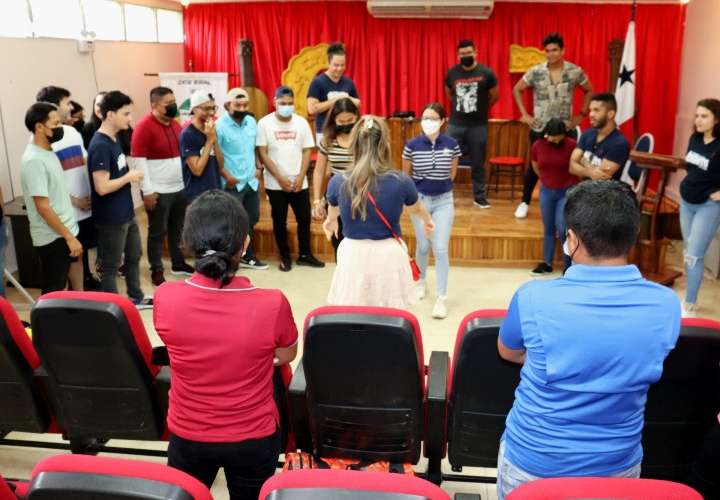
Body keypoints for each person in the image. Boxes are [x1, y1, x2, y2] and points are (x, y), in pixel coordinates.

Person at [496, 180, 681, 500]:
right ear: (632, 237)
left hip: (535, 465)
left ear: (572, 240)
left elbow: (508, 352)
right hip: (616, 466)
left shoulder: (533, 297)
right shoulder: (666, 305)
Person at [154, 189, 298, 500]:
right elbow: (286, 354)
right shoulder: (272, 304)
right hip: (253, 438)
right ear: (245, 243)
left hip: (187, 434)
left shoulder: (165, 297)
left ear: (188, 243)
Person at [324, 116, 434, 308]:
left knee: (353, 311)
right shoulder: (401, 181)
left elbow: (333, 213)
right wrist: (427, 220)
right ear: (385, 145)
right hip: (389, 254)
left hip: (352, 254)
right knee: (388, 314)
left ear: (354, 145)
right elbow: (417, 208)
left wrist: (330, 222)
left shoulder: (338, 181)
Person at [512, 33, 593, 219]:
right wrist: (525, 114)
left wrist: (581, 115)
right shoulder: (535, 71)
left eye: (555, 50)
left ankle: (570, 203)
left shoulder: (575, 71)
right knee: (534, 165)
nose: (551, 54)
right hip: (540, 128)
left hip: (566, 127)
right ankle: (524, 202)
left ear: (562, 50)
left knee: (570, 165)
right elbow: (517, 89)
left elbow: (589, 90)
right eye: (547, 51)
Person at [87, 91, 151, 309]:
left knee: (134, 256)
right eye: (126, 114)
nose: (130, 118)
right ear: (110, 114)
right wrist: (129, 177)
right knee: (110, 266)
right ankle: (113, 307)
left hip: (126, 211)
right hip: (111, 217)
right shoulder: (100, 145)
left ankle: (136, 297)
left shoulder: (114, 140)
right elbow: (102, 187)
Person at [36, 86, 101, 291]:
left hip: (85, 208)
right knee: (63, 266)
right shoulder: (43, 143)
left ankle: (83, 292)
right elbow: (52, 182)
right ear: (54, 106)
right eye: (66, 102)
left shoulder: (72, 131)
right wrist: (75, 200)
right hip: (66, 212)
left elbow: (83, 161)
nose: (70, 106)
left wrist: (91, 193)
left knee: (80, 256)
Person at [402, 103, 460, 319]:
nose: (428, 122)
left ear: (443, 121)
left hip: (444, 201)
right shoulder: (412, 145)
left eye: (433, 118)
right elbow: (405, 176)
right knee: (424, 246)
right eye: (425, 118)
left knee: (441, 248)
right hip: (420, 202)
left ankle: (441, 298)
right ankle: (420, 281)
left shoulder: (452, 144)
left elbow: (452, 173)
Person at [256, 86, 324, 271]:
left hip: (299, 182)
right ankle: (284, 257)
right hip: (275, 183)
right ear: (274, 102)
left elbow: (307, 150)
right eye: (283, 103)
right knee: (279, 220)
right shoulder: (264, 123)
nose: (286, 106)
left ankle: (305, 254)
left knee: (304, 219)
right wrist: (280, 179)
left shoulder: (301, 122)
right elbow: (262, 153)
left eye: (290, 103)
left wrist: (301, 176)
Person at [132, 86, 193, 286]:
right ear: (154, 105)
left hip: (179, 188)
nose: (173, 106)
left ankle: (178, 262)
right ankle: (156, 269)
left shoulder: (176, 125)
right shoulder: (143, 127)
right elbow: (139, 162)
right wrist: (147, 191)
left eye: (174, 101)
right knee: (157, 232)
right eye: (168, 103)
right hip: (158, 191)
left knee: (178, 228)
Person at [21, 102, 81, 294]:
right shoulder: (33, 160)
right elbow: (43, 207)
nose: (60, 128)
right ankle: (49, 324)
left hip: (64, 229)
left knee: (67, 279)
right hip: (53, 237)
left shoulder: (48, 150)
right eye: (55, 124)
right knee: (54, 290)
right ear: (39, 126)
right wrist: (68, 237)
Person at [216, 87, 268, 270]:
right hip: (232, 184)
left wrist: (259, 167)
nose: (242, 108)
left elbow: (254, 148)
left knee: (251, 219)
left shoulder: (252, 122)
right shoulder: (219, 126)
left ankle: (246, 255)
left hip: (251, 182)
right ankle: (230, 258)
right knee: (232, 223)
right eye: (238, 105)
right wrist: (226, 176)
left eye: (245, 105)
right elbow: (216, 155)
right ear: (228, 105)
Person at [678, 98, 720, 317]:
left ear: (717, 119)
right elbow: (691, 166)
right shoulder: (695, 138)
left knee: (694, 255)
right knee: (688, 253)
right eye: (697, 115)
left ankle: (690, 305)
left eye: (704, 116)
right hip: (686, 201)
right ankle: (688, 297)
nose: (698, 120)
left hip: (708, 206)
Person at [445, 39, 498, 209]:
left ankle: (479, 197)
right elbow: (449, 95)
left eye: (469, 53)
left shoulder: (486, 73)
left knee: (478, 162)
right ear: (458, 55)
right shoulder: (452, 73)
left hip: (478, 125)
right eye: (462, 54)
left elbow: (495, 96)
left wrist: (482, 109)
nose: (465, 56)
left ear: (476, 52)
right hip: (455, 124)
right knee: (447, 159)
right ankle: (444, 195)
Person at [528, 119, 578, 276]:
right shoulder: (538, 145)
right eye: (552, 136)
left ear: (564, 134)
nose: (554, 139)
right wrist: (544, 179)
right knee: (548, 228)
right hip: (547, 191)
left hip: (567, 191)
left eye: (558, 136)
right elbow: (535, 165)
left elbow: (577, 165)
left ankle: (568, 266)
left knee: (562, 227)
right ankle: (547, 263)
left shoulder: (572, 145)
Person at [311, 97, 360, 254]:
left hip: (362, 196)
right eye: (341, 121)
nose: (346, 124)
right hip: (336, 198)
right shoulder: (328, 140)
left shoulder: (365, 138)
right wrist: (317, 200)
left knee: (360, 242)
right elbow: (319, 172)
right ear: (334, 120)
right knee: (338, 242)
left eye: (350, 120)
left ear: (357, 117)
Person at [307, 42, 361, 144]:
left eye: (342, 65)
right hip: (325, 131)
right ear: (328, 63)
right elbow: (311, 109)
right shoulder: (318, 82)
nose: (340, 68)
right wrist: (335, 100)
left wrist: (346, 98)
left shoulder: (349, 82)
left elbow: (358, 103)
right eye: (336, 65)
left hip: (347, 131)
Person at [570, 93, 630, 182]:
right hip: (582, 191)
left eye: (596, 110)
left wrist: (581, 161)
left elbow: (600, 177)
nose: (591, 114)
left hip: (605, 194)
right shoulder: (587, 133)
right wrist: (589, 172)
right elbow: (571, 167)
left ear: (610, 114)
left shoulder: (619, 143)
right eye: (590, 110)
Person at [179, 90, 222, 202]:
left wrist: (214, 139)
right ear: (194, 109)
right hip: (198, 196)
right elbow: (197, 170)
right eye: (206, 108)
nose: (212, 112)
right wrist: (209, 141)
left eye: (213, 108)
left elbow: (221, 165)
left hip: (216, 191)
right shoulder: (188, 134)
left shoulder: (211, 129)